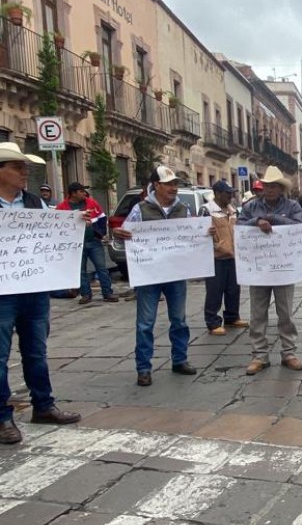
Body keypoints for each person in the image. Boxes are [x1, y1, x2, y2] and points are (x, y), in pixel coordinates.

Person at [0, 142, 81, 444]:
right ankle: (3, 418)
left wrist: (77, 223)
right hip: (2, 294)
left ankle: (43, 406)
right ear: (1, 171)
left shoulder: (35, 203)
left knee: (36, 351)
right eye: (17, 167)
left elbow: (55, 233)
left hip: (33, 291)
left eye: (24, 167)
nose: (25, 172)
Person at [113, 165, 214, 387]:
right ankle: (144, 368)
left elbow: (193, 238)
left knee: (179, 319)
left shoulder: (184, 210)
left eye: (175, 184)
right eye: (168, 184)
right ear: (156, 186)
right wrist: (118, 234)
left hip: (175, 274)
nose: (173, 188)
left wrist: (205, 234)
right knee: (145, 323)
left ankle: (180, 359)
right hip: (149, 275)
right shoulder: (140, 210)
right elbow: (123, 238)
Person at [238, 166, 302, 374]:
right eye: (266, 185)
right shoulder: (250, 207)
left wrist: (274, 219)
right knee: (258, 314)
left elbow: (300, 225)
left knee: (285, 313)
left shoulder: (293, 206)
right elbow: (239, 226)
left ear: (281, 188)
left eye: (273, 186)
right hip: (258, 269)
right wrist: (257, 221)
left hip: (284, 268)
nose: (269, 189)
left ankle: (289, 353)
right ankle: (259, 356)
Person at [55, 182, 118, 305]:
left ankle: (107, 293)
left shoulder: (92, 203)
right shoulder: (62, 207)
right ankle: (86, 295)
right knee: (81, 270)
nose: (84, 193)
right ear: (73, 193)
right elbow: (57, 226)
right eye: (81, 191)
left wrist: (98, 232)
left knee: (102, 268)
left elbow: (102, 217)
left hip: (94, 242)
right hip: (76, 245)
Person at [199, 181, 248, 335]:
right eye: (228, 193)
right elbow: (199, 232)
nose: (231, 196)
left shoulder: (233, 211)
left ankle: (232, 316)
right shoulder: (206, 210)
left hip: (232, 256)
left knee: (233, 289)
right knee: (215, 290)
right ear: (218, 193)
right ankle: (212, 322)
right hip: (215, 257)